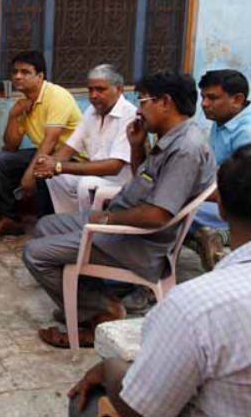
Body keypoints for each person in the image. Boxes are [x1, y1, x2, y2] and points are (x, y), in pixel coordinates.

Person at [23, 71, 216, 348]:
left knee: (35, 254)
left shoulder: (185, 149)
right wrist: (137, 149)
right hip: (122, 224)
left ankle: (101, 312)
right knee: (45, 227)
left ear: (165, 102)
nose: (139, 109)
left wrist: (107, 217)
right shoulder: (169, 138)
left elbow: (157, 215)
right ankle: (88, 301)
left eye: (144, 100)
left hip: (137, 242)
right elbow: (144, 181)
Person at [68, 144, 251, 417]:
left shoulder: (197, 307)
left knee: (88, 401)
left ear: (221, 208)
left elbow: (141, 407)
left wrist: (109, 369)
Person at [0, 50, 82, 238]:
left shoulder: (56, 96)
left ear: (40, 76)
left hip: (74, 157)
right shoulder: (25, 103)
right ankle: (8, 219)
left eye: (25, 72)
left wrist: (30, 174)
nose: (18, 77)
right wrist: (13, 115)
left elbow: (50, 141)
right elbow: (11, 146)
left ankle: (47, 226)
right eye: (15, 72)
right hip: (48, 152)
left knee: (42, 168)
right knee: (2, 160)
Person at [34, 64, 137, 213]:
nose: (93, 95)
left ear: (119, 89)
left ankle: (86, 227)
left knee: (86, 183)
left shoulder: (130, 115)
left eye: (100, 89)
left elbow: (114, 167)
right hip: (94, 176)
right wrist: (48, 164)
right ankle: (66, 221)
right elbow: (70, 148)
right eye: (90, 90)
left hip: (121, 182)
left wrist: (58, 166)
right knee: (53, 178)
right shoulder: (91, 111)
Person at [191, 69, 251, 270]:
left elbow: (242, 192)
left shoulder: (246, 132)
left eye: (212, 98)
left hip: (240, 202)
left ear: (237, 99)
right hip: (221, 194)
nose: (204, 104)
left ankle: (221, 237)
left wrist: (192, 193)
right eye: (203, 97)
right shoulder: (222, 121)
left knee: (175, 210)